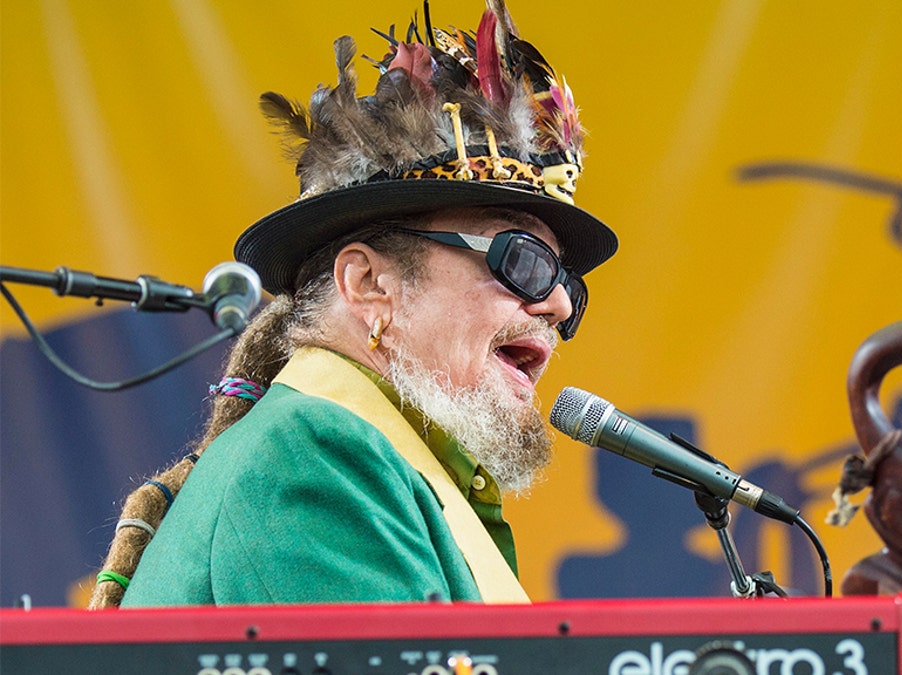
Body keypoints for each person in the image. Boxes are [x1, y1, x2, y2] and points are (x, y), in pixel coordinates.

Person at [88, 0, 617, 608]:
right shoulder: (319, 456)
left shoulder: (381, 460)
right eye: (522, 260)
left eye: (567, 286)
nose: (554, 304)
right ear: (368, 284)